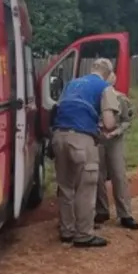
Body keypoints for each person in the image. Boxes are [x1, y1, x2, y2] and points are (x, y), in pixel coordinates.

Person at [51, 58, 120, 248]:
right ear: (108, 73)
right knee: (86, 188)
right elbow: (109, 123)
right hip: (82, 140)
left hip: (59, 137)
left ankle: (67, 230)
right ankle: (83, 234)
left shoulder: (72, 83)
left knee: (65, 187)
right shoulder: (105, 87)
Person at [94, 73, 138, 230]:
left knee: (119, 175)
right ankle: (101, 210)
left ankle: (125, 214)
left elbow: (127, 121)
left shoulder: (121, 99)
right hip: (98, 139)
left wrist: (116, 131)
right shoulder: (94, 97)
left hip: (115, 141)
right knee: (97, 176)